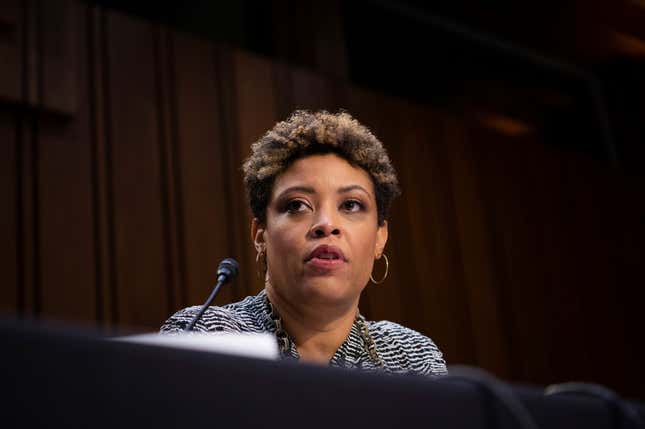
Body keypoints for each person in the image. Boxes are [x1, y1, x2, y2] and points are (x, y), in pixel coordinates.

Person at [161, 110, 447, 376]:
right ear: (261, 234)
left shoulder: (409, 356)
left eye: (350, 204)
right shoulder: (206, 335)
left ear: (379, 237)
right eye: (297, 205)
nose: (326, 224)